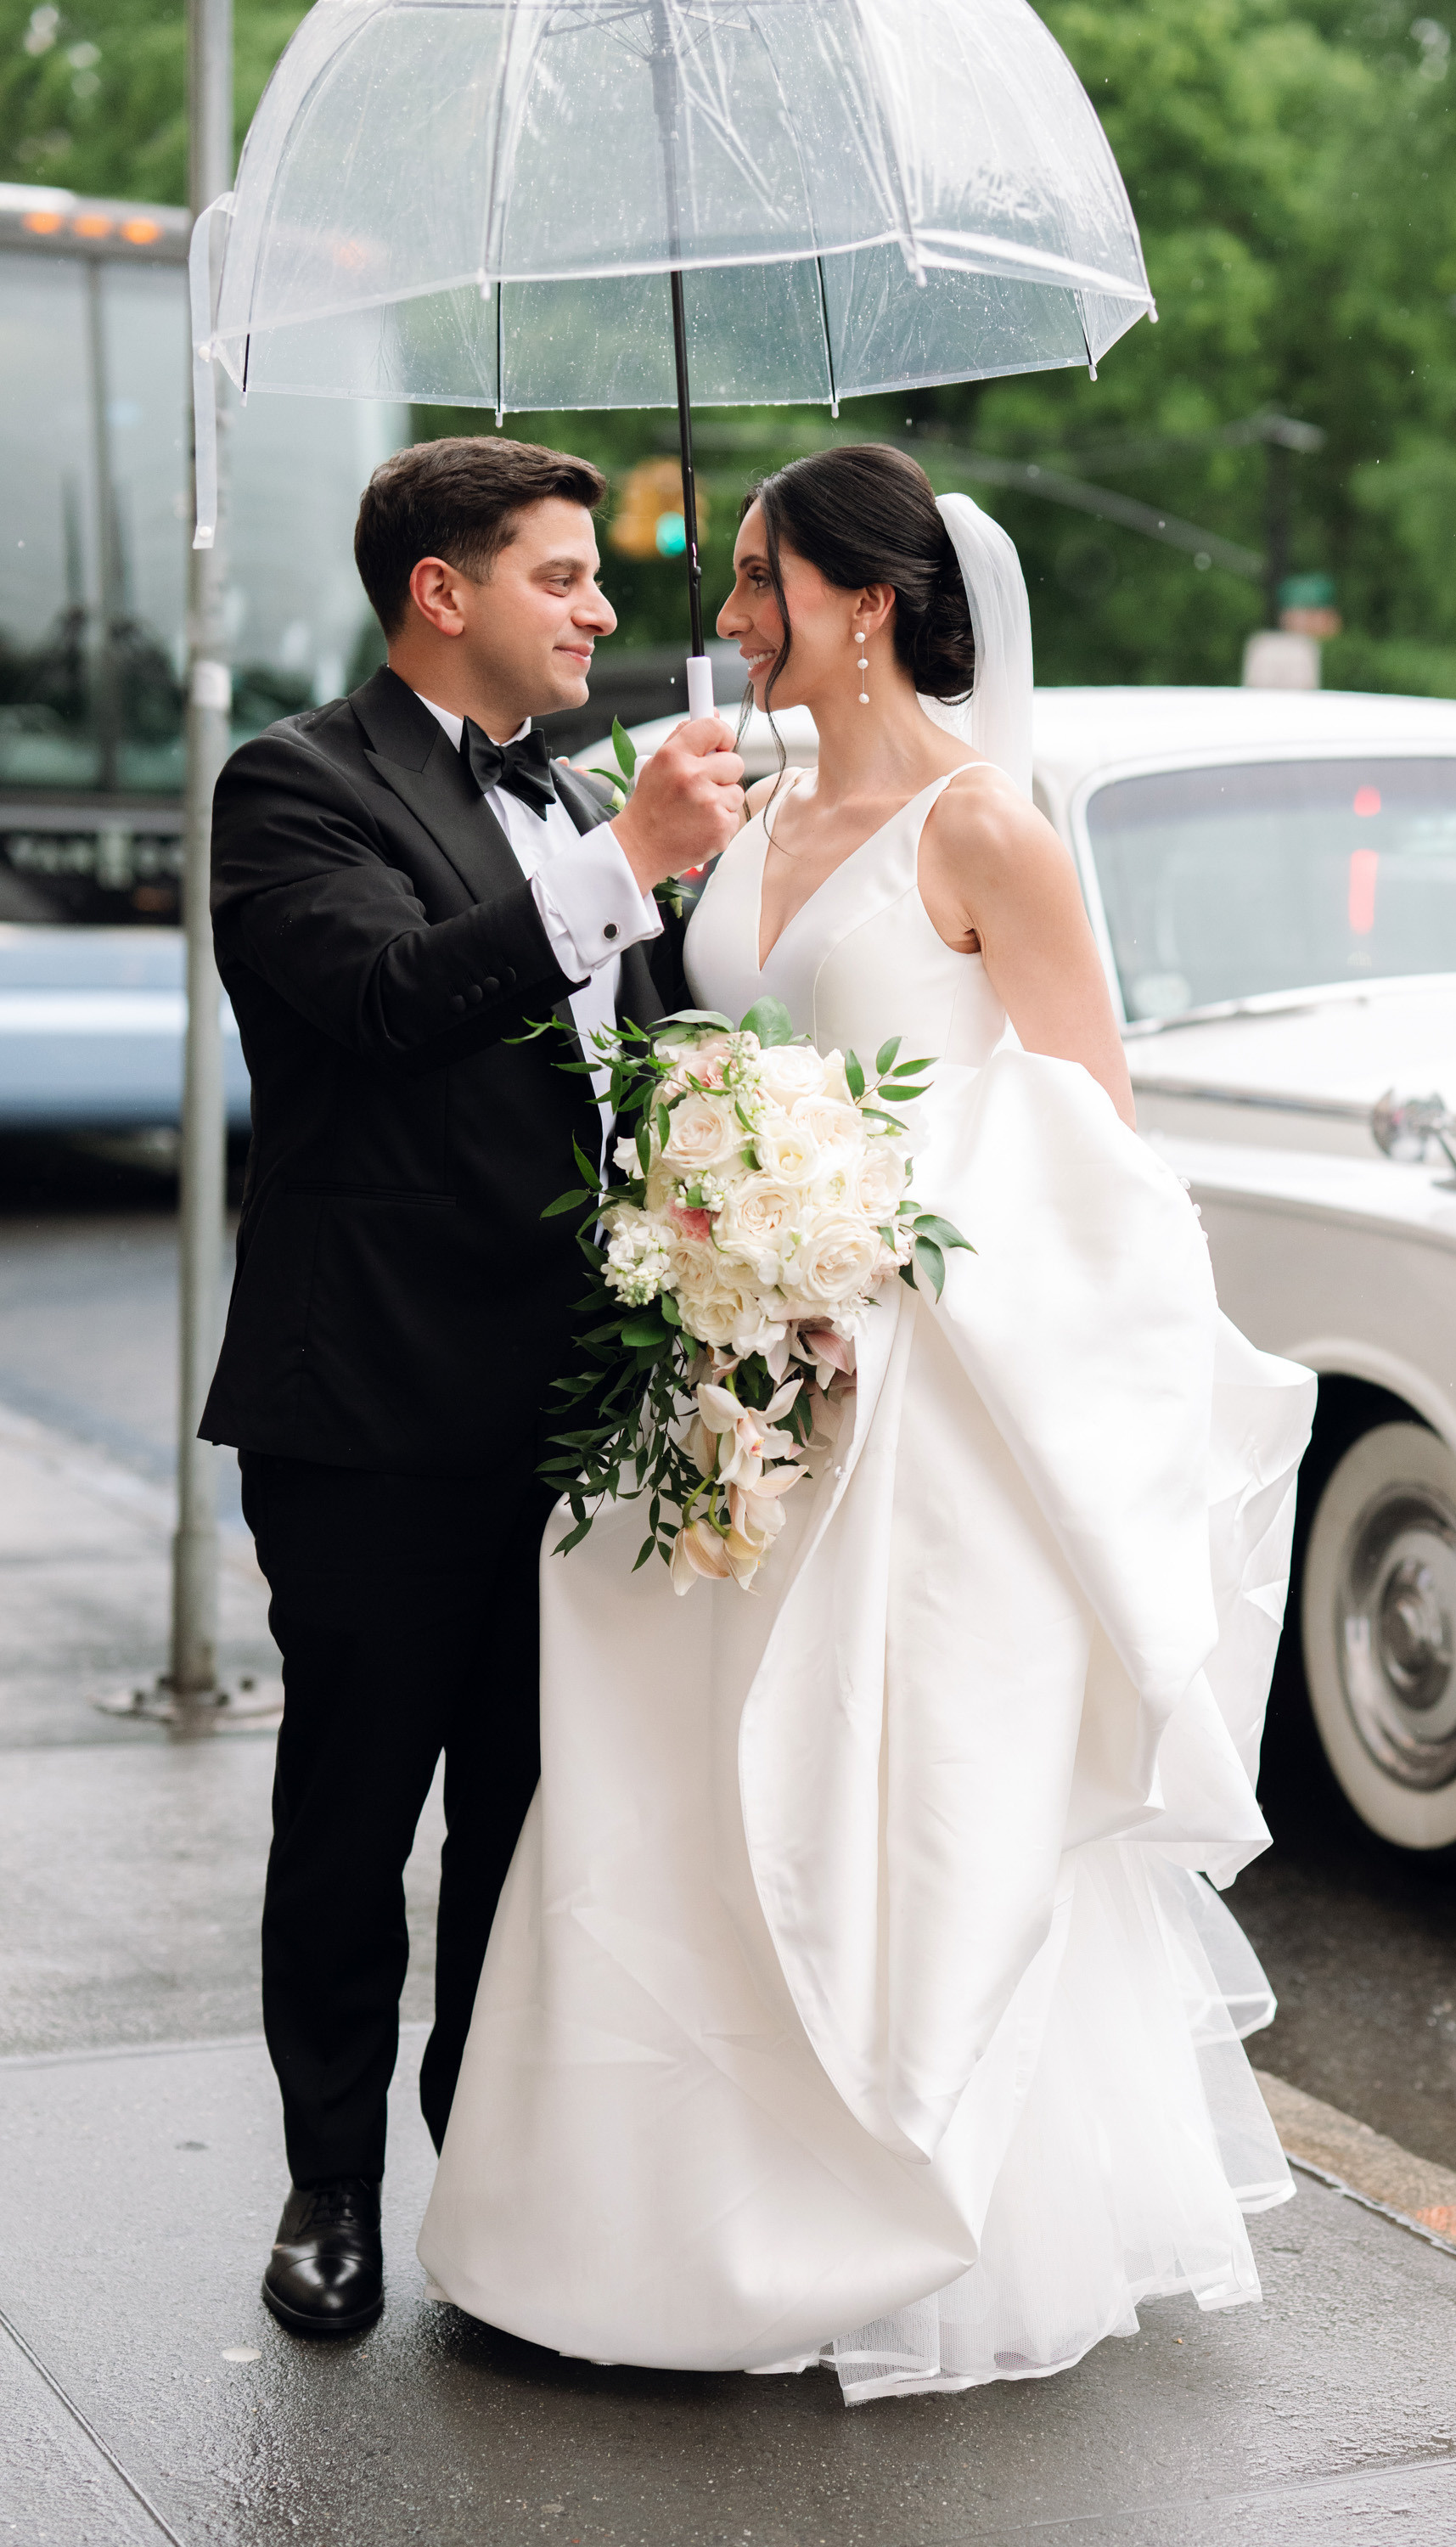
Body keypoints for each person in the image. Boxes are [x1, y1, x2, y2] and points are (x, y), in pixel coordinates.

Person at [419, 447, 1318, 2402]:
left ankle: (874, 2211)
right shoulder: (740, 822)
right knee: (669, 1785)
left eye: (756, 579)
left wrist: (876, 1258)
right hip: (724, 1386)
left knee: (874, 1797)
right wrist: (707, 1218)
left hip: (916, 1405)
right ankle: (642, 2218)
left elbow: (1094, 1135)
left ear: (864, 602)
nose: (726, 614)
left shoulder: (990, 828)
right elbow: (687, 1060)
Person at [200, 436, 745, 2336]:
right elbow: (381, 1006)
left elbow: (646, 1071)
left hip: (579, 1411)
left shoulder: (589, 791)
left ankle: (494, 2185)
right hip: (369, 1408)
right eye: (563, 574)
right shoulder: (289, 788)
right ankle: (329, 2187)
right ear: (445, 592)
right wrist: (626, 866)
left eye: (598, 579)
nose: (601, 606)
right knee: (359, 1817)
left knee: (535, 1822)